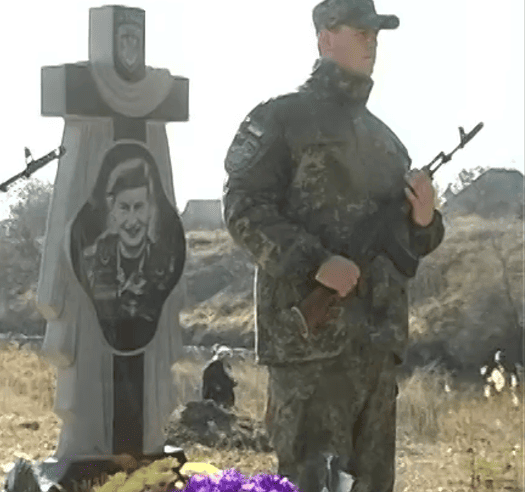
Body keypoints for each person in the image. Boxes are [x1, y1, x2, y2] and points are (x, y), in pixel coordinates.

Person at [221, 0, 445, 490]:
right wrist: (316, 263)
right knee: (312, 483)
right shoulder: (280, 119)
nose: (372, 43)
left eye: (376, 34)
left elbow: (411, 244)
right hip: (310, 351)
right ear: (325, 38)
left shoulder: (386, 142)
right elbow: (243, 208)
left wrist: (425, 219)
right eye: (361, 32)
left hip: (377, 350)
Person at [76, 153, 181, 351]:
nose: (132, 221)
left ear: (150, 210)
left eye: (139, 207)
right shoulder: (90, 261)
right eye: (124, 208)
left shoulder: (167, 264)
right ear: (113, 210)